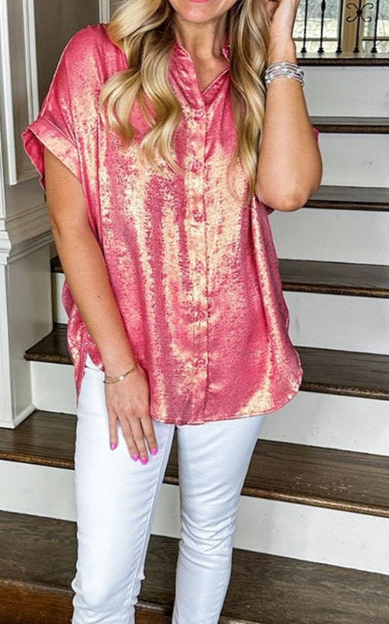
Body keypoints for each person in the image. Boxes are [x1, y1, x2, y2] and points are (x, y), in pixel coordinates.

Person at [22, 0, 322, 622]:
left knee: (209, 533)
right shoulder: (96, 57)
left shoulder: (258, 74)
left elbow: (288, 189)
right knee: (102, 585)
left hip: (237, 352)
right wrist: (120, 368)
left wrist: (280, 41)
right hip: (127, 356)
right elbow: (70, 223)